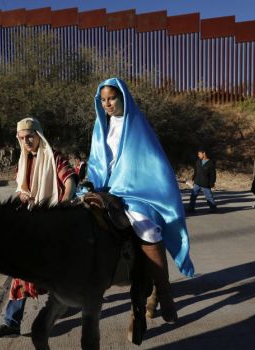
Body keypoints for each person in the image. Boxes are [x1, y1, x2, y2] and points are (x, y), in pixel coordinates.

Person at [86, 78, 194, 325]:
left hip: (136, 190)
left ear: (123, 97)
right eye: (102, 100)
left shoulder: (136, 125)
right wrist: (90, 183)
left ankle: (165, 292)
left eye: (111, 98)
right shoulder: (101, 125)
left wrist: (124, 184)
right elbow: (95, 160)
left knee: (146, 227)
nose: (107, 104)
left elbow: (148, 162)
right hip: (105, 188)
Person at [0, 117, 77, 338]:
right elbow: (21, 190)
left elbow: (70, 182)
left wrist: (61, 207)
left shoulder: (55, 158)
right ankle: (13, 322)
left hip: (54, 222)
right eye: (22, 138)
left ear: (39, 135)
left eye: (30, 136)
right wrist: (22, 196)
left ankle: (20, 320)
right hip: (32, 223)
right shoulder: (23, 162)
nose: (27, 141)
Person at [187, 149, 217, 213]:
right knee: (193, 196)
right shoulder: (198, 161)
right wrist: (193, 178)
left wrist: (212, 183)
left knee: (209, 197)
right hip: (197, 182)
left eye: (199, 154)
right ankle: (191, 208)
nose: (198, 155)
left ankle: (213, 209)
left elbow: (213, 174)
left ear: (204, 153)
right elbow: (196, 170)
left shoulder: (210, 163)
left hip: (205, 183)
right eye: (198, 154)